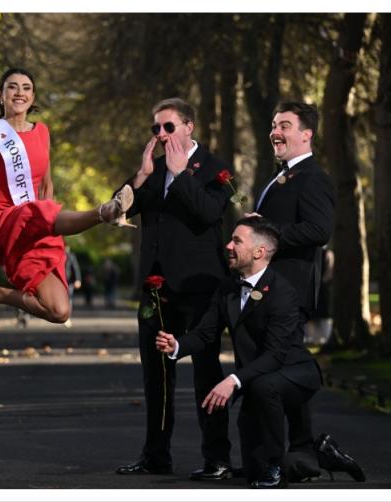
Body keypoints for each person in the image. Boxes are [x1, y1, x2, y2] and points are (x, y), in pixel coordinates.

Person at [155, 217, 363, 488]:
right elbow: (206, 332)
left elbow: (275, 355)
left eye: (237, 241)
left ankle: (277, 467)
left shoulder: (283, 293)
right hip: (257, 379)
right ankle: (321, 455)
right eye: (230, 239)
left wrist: (232, 381)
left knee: (264, 388)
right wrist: (178, 345)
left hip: (294, 373)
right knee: (254, 471)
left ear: (259, 252)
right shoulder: (228, 287)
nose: (228, 245)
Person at [0, 67, 134, 324]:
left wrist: (51, 225)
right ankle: (105, 212)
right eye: (12, 86)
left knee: (59, 311)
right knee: (35, 212)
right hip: (1, 222)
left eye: (26, 87)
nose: (20, 92)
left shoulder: (42, 132)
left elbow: (46, 186)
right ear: (0, 95)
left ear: (33, 97)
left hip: (36, 223)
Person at [114, 98, 232, 480]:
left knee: (206, 373)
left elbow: (210, 214)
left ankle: (217, 458)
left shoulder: (216, 169)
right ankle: (155, 455)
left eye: (168, 127)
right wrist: (141, 176)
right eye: (156, 129)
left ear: (188, 127)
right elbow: (120, 209)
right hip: (156, 288)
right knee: (156, 377)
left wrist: (181, 176)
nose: (161, 135)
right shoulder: (156, 168)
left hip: (199, 288)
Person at [247, 101, 335, 473]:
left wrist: (267, 233)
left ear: (306, 134)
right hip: (270, 291)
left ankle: (294, 453)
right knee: (282, 369)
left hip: (291, 292)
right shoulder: (281, 175)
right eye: (273, 124)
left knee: (282, 372)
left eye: (285, 125)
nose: (276, 131)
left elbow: (319, 230)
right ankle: (300, 453)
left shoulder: (313, 176)